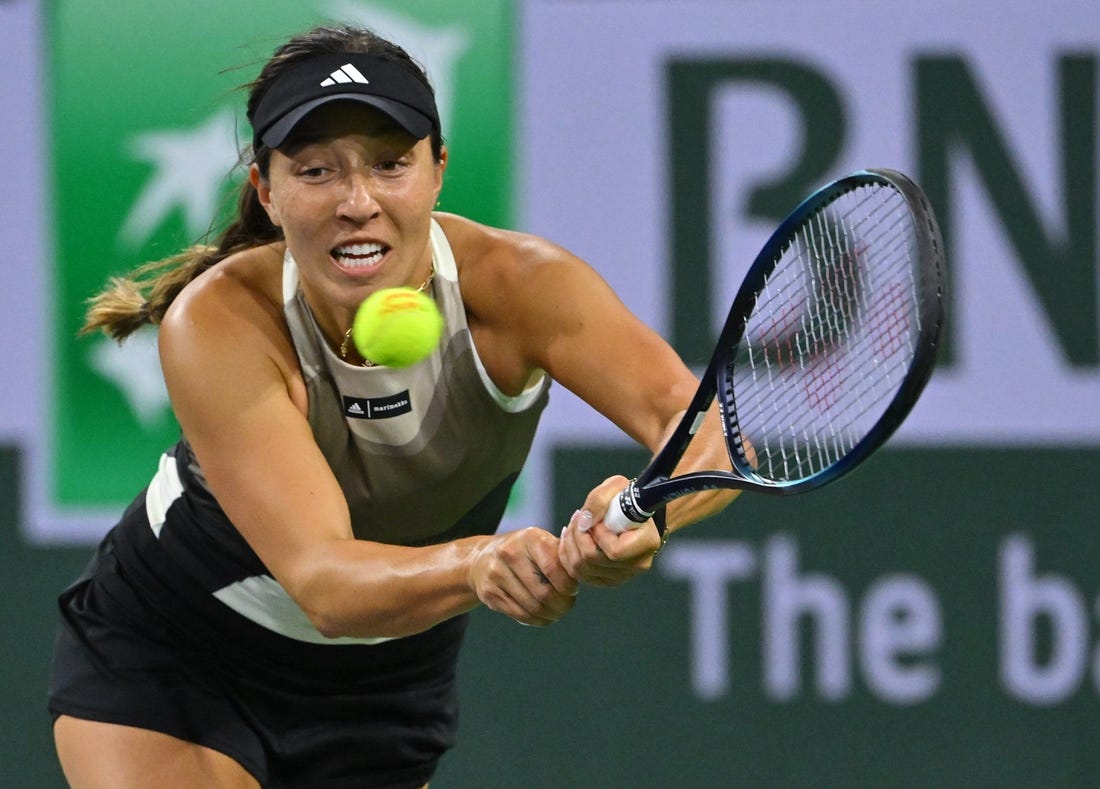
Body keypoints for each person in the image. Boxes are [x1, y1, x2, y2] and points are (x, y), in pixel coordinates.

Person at [47, 24, 734, 789]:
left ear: (438, 171)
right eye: (316, 171)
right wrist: (480, 560)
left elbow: (703, 426)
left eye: (390, 164)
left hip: (389, 678)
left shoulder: (524, 287)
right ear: (266, 192)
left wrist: (651, 514)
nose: (357, 203)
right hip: (176, 651)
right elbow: (325, 581)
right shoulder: (219, 324)